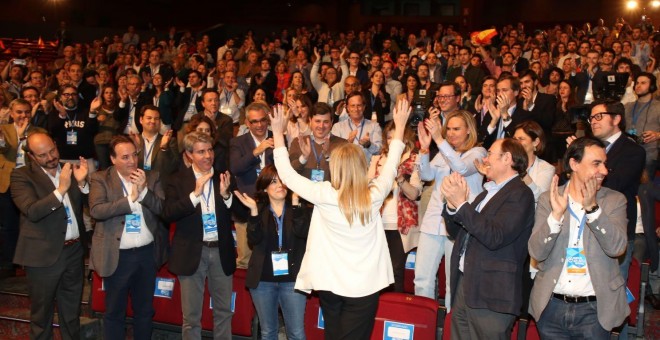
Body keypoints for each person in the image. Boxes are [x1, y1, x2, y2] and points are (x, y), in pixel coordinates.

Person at [270, 99, 411, 340]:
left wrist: (277, 132)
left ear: (336, 168)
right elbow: (392, 163)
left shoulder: (324, 193)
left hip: (330, 284)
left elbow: (286, 174)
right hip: (363, 287)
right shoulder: (374, 195)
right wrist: (399, 127)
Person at [529, 137, 630, 338]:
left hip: (595, 310)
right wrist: (555, 216)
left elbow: (617, 248)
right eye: (596, 164)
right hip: (551, 307)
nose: (603, 171)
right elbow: (536, 251)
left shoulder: (614, 201)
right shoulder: (549, 200)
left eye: (604, 164)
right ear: (574, 164)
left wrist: (593, 209)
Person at [441, 138, 535, 339]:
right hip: (466, 287)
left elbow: (495, 236)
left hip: (492, 293)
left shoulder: (520, 194)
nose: (485, 159)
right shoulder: (488, 192)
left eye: (490, 153)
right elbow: (457, 233)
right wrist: (452, 205)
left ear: (507, 158)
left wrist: (461, 204)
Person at [11, 132, 89, 339]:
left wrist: (81, 184)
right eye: (43, 155)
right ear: (32, 156)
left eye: (52, 150)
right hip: (42, 256)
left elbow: (88, 207)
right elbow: (32, 211)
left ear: (56, 144)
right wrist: (61, 189)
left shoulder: (69, 169)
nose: (51, 157)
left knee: (71, 312)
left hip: (74, 251)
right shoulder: (21, 176)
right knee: (42, 315)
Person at [89, 135, 168, 340]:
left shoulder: (151, 177)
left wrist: (143, 192)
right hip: (117, 257)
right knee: (114, 312)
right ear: (113, 159)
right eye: (125, 157)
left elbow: (162, 208)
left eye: (134, 155)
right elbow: (97, 210)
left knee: (144, 311)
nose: (132, 161)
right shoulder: (100, 178)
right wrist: (129, 200)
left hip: (146, 255)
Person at [163, 132, 236, 339]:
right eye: (201, 152)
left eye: (210, 150)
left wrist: (226, 195)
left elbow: (240, 213)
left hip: (221, 252)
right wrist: (194, 196)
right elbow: (168, 214)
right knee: (191, 317)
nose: (207, 156)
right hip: (191, 253)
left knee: (223, 313)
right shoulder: (177, 181)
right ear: (189, 155)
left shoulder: (224, 177)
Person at [413, 110, 486, 309]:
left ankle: (449, 328)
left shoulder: (478, 153)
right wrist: (425, 151)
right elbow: (426, 175)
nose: (451, 133)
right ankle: (425, 325)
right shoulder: (443, 153)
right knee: (422, 278)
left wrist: (438, 138)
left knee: (452, 282)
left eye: (456, 129)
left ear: (469, 131)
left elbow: (461, 168)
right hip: (434, 221)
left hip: (460, 224)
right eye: (449, 129)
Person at [233, 165, 310, 340]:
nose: (279, 185)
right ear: (265, 186)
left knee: (296, 332)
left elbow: (303, 232)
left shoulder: (299, 208)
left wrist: (297, 204)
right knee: (268, 332)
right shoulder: (258, 210)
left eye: (282, 180)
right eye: (273, 181)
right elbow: (254, 239)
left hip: (293, 281)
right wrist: (253, 212)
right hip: (263, 281)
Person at [367, 122, 421, 292]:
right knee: (376, 270)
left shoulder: (415, 159)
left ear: (406, 138)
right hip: (376, 221)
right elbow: (367, 188)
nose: (392, 141)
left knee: (396, 270)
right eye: (389, 137)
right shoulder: (377, 159)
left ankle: (394, 311)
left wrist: (399, 178)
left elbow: (414, 194)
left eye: (396, 136)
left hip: (401, 225)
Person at [230, 102, 275, 269]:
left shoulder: (277, 138)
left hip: (273, 202)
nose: (260, 124)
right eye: (254, 121)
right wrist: (257, 151)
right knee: (245, 260)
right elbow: (236, 168)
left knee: (271, 254)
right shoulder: (238, 142)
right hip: (247, 205)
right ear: (247, 123)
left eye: (263, 120)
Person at [288, 102, 347, 182]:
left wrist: (328, 157)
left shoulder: (343, 145)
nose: (321, 126)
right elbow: (290, 172)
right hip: (303, 193)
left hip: (330, 193)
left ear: (331, 122)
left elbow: (345, 175)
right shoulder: (298, 142)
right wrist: (304, 158)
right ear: (310, 121)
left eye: (326, 122)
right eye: (317, 121)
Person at [331, 92, 382, 165]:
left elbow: (379, 151)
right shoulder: (338, 127)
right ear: (347, 108)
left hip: (367, 170)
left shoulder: (374, 126)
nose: (356, 109)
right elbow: (333, 152)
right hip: (346, 169)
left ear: (364, 107)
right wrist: (347, 143)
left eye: (359, 105)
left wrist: (369, 145)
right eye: (352, 106)